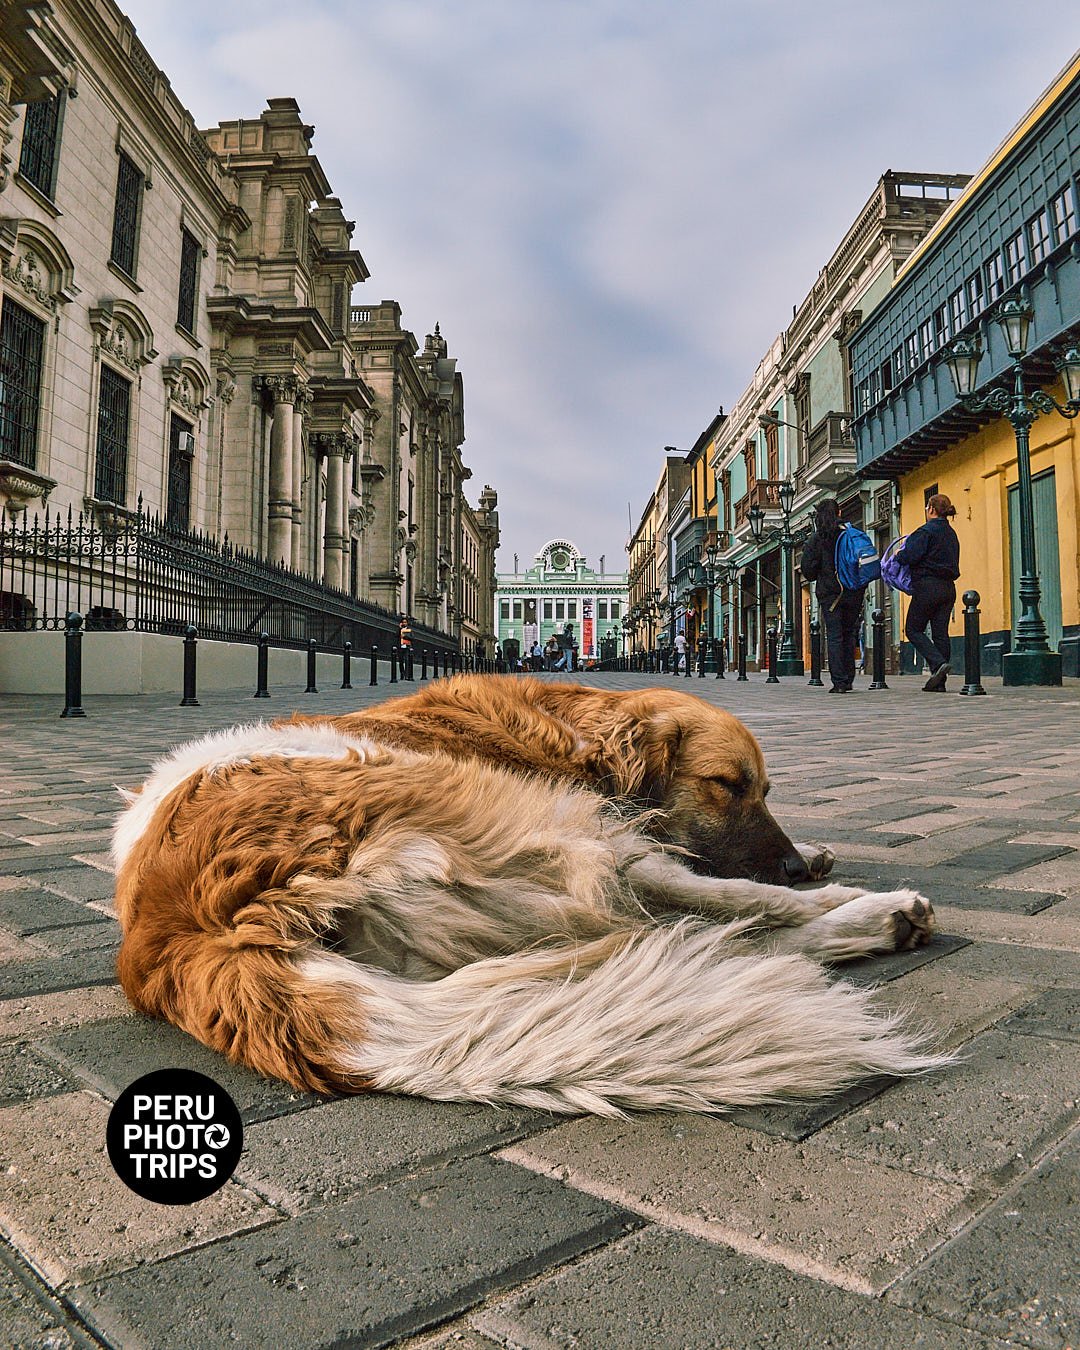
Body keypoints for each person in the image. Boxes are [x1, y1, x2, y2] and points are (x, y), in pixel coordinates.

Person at [896, 492, 961, 692]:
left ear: (931, 509)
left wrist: (899, 555)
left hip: (927, 586)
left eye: (926, 508)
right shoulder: (952, 534)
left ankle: (937, 663)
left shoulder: (925, 532)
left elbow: (910, 555)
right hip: (948, 588)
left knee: (913, 629)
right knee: (941, 633)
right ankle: (938, 682)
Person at [801, 498, 865, 692]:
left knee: (835, 636)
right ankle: (849, 678)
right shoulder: (851, 534)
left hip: (831, 595)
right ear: (839, 512)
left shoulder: (817, 539)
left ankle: (839, 682)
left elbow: (808, 571)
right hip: (853, 592)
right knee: (849, 634)